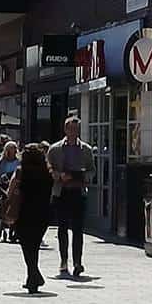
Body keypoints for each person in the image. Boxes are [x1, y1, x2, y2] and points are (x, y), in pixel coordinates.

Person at [47, 116, 94, 277]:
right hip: (62, 192)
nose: (74, 132)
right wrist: (60, 175)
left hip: (78, 192)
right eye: (71, 129)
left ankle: (77, 262)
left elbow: (91, 169)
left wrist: (86, 176)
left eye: (76, 129)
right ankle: (63, 261)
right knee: (62, 229)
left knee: (78, 229)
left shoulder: (86, 149)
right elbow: (49, 169)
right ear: (65, 130)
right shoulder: (55, 149)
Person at [5, 144, 53, 293]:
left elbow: (10, 190)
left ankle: (34, 274)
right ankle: (32, 276)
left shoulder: (20, 171)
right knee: (35, 245)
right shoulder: (47, 172)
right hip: (42, 213)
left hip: (24, 213)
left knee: (27, 246)